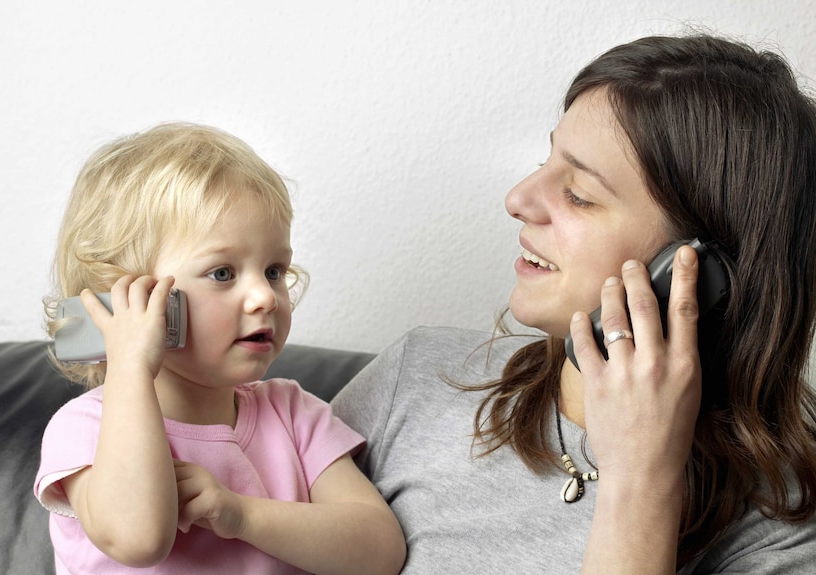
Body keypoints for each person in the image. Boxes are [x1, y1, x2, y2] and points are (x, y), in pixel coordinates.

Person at [332, 33, 816, 574]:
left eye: (580, 194)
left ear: (696, 274)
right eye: (546, 159)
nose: (517, 199)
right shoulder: (417, 377)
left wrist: (640, 482)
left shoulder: (781, 536)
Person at [34, 123, 406, 575]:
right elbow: (138, 539)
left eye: (273, 270)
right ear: (130, 299)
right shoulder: (84, 427)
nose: (266, 297)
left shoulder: (292, 414)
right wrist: (130, 363)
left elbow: (381, 552)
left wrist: (242, 515)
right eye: (223, 273)